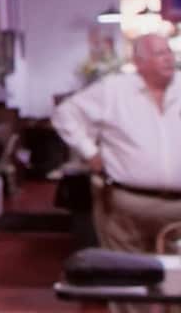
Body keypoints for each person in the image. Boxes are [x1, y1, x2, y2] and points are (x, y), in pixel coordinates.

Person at [53, 33, 181, 312]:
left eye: (169, 52)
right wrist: (90, 152)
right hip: (127, 205)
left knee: (177, 285)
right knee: (128, 284)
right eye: (159, 53)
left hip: (177, 209)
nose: (168, 59)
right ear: (139, 62)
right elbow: (65, 115)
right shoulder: (114, 90)